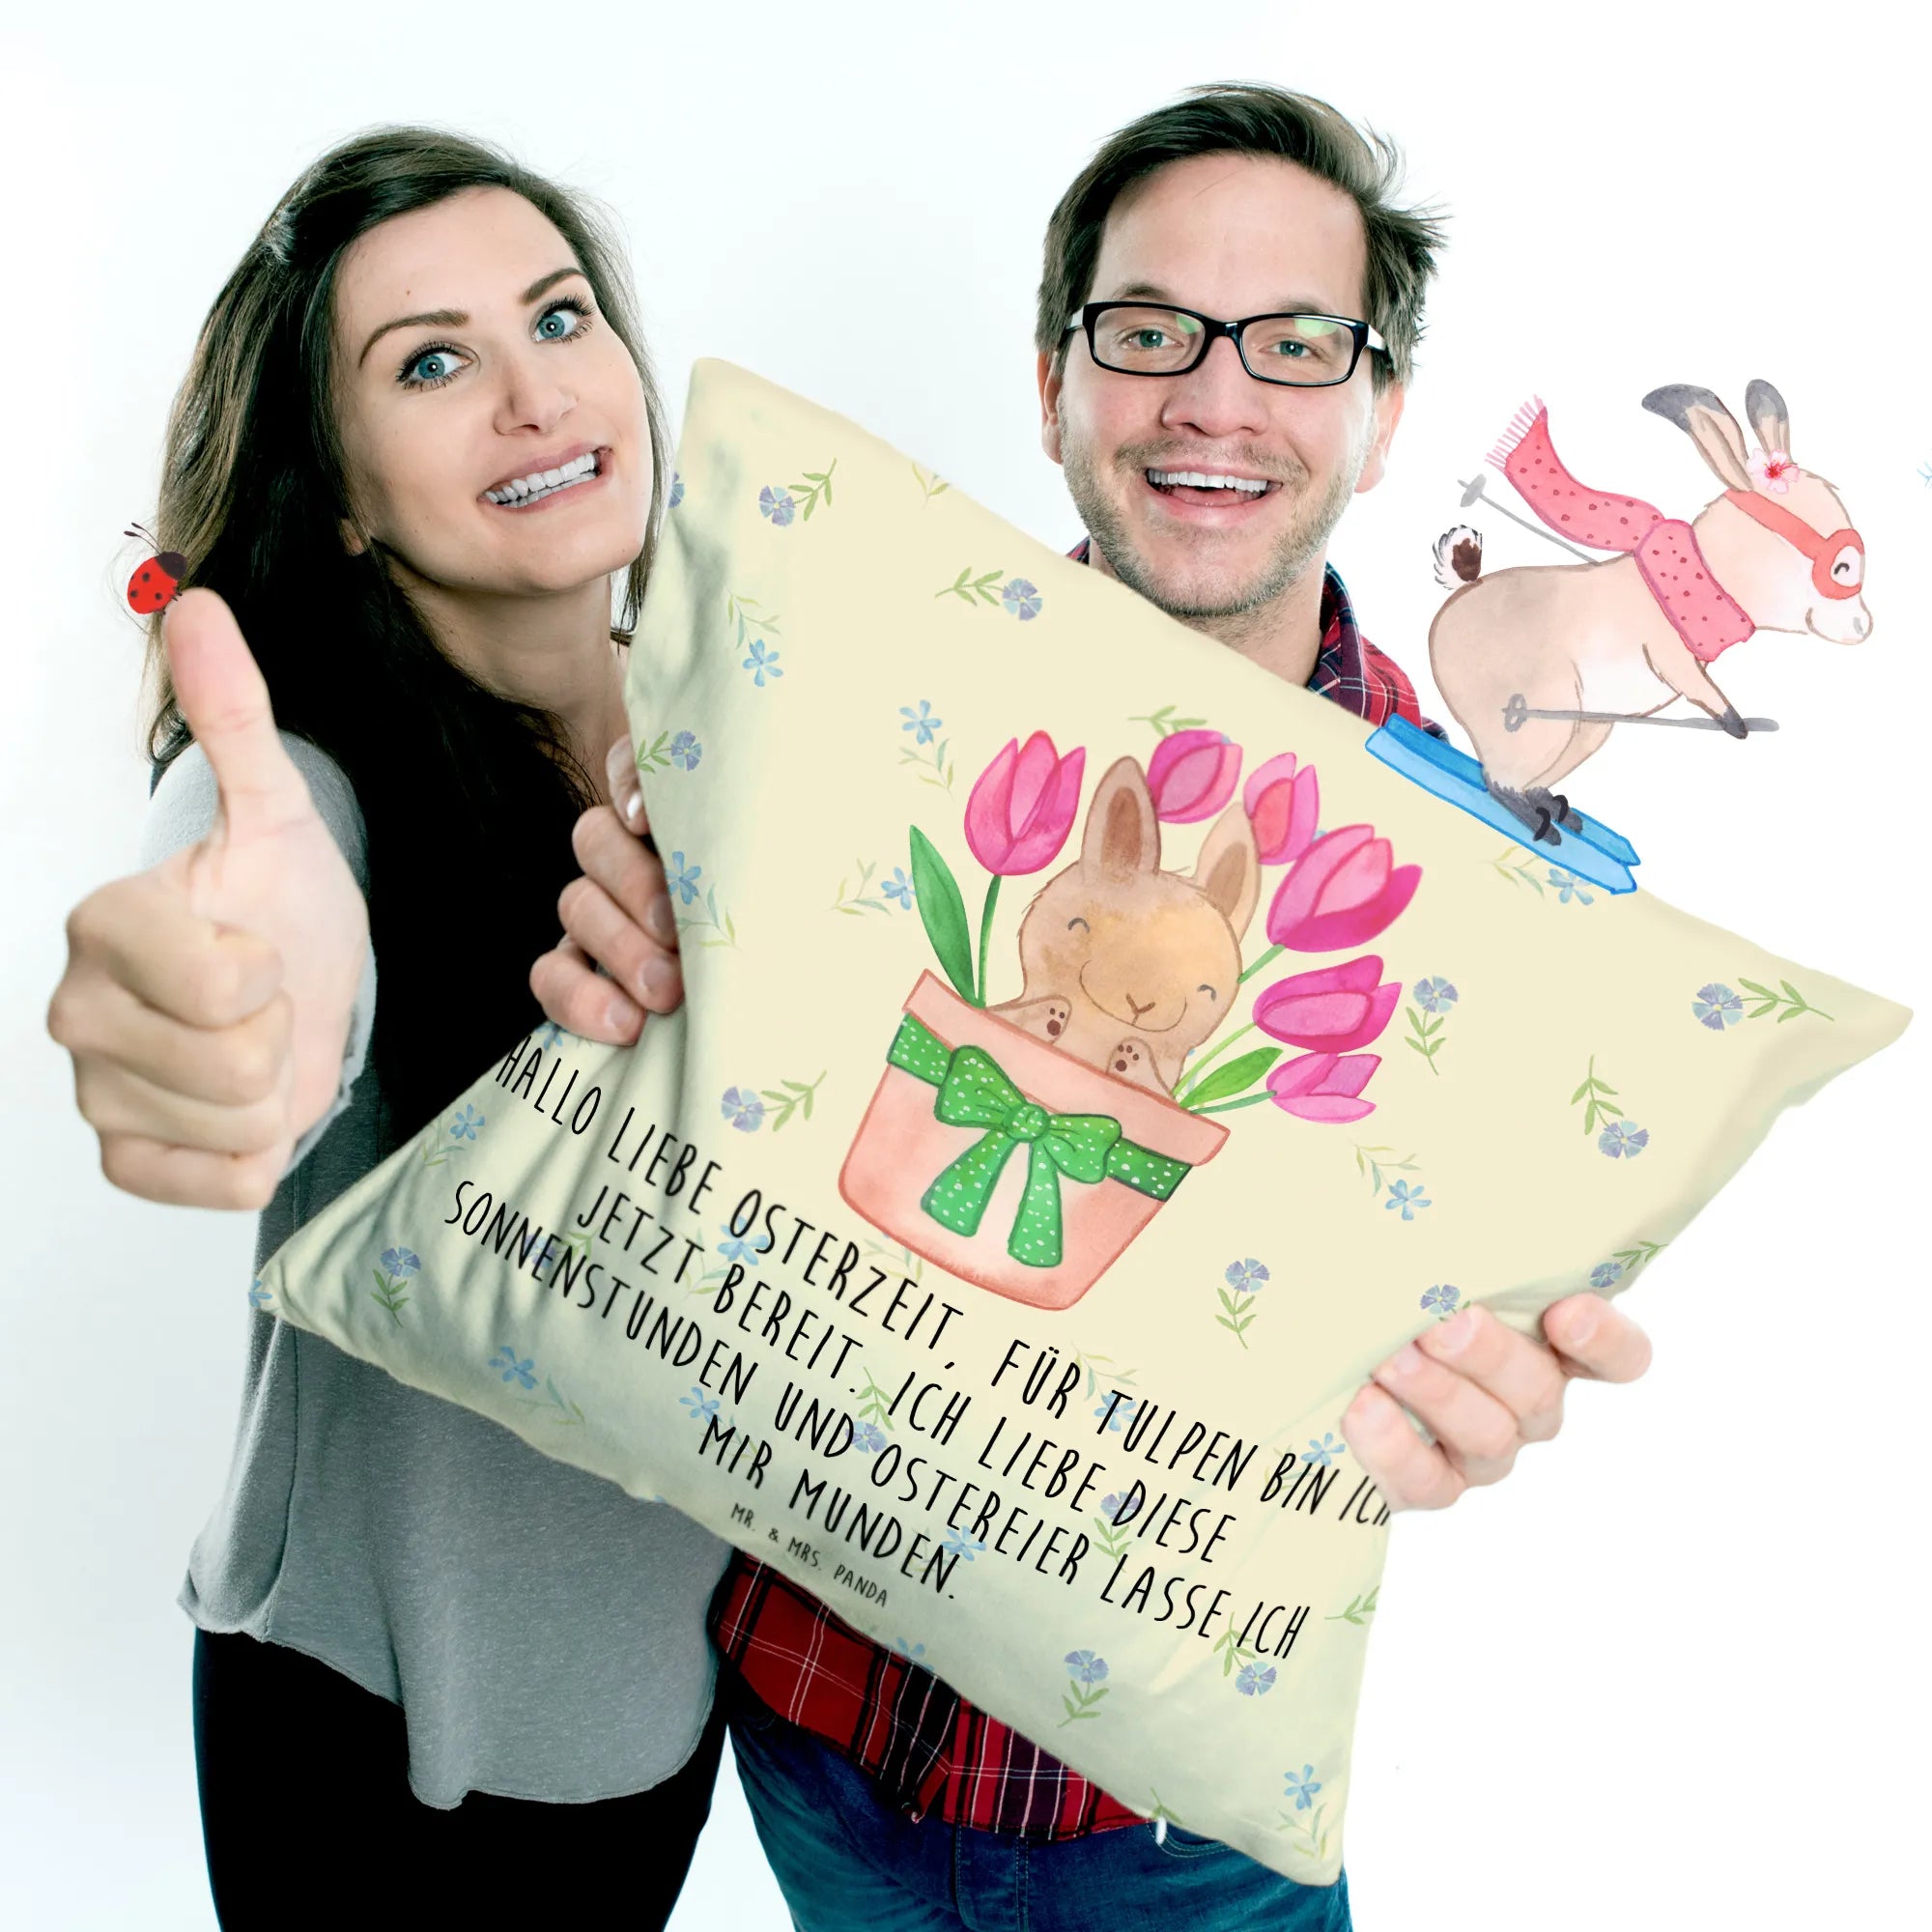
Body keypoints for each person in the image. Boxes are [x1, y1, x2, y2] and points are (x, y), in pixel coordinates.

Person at [537, 84, 1657, 1930]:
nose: (1216, 398)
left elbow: (1440, 1321)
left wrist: (1483, 1382)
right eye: (1150, 332)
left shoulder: (1489, 886)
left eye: (1297, 343)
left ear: (1381, 417)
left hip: (1178, 1826)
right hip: (806, 1734)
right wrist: (629, 978)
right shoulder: (842, 705)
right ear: (1055, 381)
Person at [44, 129, 724, 1927]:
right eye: (430, 363)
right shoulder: (308, 784)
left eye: (558, 318)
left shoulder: (735, 738)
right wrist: (221, 1000)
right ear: (341, 496)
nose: (533, 394)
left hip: (662, 1710)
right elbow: (252, 900)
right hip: (379, 1740)